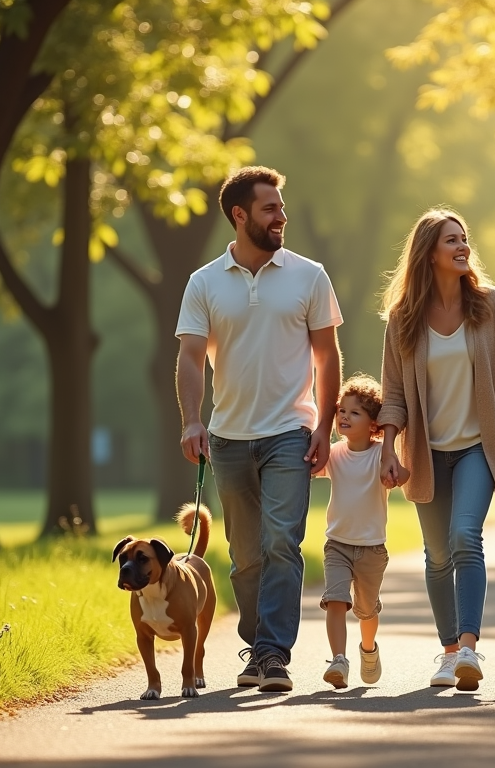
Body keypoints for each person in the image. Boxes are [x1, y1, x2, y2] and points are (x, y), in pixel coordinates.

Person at [175, 165, 343, 693]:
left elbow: (327, 356)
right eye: (270, 209)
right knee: (245, 556)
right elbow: (188, 357)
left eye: (282, 208)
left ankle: (272, 654)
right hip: (227, 437)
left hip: (290, 431)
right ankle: (256, 642)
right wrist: (191, 421)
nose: (281, 217)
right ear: (239, 215)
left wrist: (325, 424)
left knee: (281, 543)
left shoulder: (309, 275)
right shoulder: (203, 283)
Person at [378, 208, 495, 692]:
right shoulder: (404, 318)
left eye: (464, 238)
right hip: (426, 452)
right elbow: (394, 394)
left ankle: (468, 647)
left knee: (465, 536)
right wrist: (388, 449)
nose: (463, 246)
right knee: (436, 553)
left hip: (477, 449)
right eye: (451, 240)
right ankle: (448, 653)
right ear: (429, 252)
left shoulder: (490, 305)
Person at [315, 374, 410, 689]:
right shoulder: (334, 453)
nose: (344, 416)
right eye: (342, 410)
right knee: (336, 600)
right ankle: (339, 660)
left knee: (365, 610)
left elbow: (404, 471)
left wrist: (394, 473)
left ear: (373, 424)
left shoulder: (381, 453)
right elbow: (312, 467)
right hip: (337, 544)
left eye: (355, 413)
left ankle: (368, 649)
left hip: (371, 549)